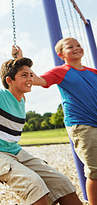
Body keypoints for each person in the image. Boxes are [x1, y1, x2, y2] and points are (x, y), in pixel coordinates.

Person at [0, 57, 82, 205]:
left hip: (14, 151)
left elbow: (21, 72)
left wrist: (19, 58)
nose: (30, 78)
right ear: (9, 80)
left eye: (31, 74)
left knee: (62, 183)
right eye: (24, 75)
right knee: (34, 184)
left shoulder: (21, 99)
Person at [13, 37, 97, 204]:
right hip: (82, 125)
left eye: (78, 45)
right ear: (61, 54)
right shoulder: (61, 71)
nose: (76, 48)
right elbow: (35, 79)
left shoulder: (93, 72)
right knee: (95, 171)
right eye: (70, 47)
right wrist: (20, 60)